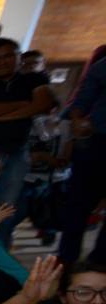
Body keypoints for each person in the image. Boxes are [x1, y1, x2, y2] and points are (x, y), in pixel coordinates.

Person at [0, 38, 55, 245]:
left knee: (4, 206)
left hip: (16, 152)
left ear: (18, 58)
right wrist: (24, 106)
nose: (2, 62)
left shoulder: (33, 81)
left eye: (8, 56)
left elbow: (42, 104)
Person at [62, 55, 106, 263]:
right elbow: (81, 102)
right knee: (77, 206)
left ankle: (99, 264)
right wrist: (77, 121)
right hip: (97, 143)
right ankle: (66, 264)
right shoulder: (102, 66)